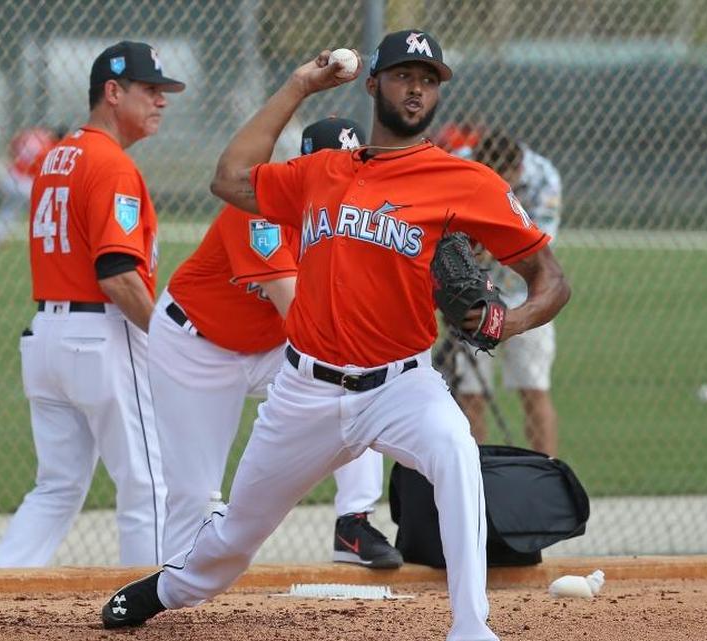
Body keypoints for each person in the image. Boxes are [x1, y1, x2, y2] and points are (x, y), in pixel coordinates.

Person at [102, 30, 571, 641]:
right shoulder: (319, 172)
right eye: (404, 75)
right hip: (305, 391)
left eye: (429, 79)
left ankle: (471, 627)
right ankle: (171, 587)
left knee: (456, 455)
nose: (417, 88)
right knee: (237, 533)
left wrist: (510, 321)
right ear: (373, 84)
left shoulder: (465, 181)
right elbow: (230, 178)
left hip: (402, 385)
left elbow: (550, 279)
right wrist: (299, 86)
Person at [152, 116, 401, 570]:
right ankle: (173, 585)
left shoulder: (354, 220)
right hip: (195, 347)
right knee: (194, 491)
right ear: (303, 168)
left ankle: (353, 524)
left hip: (266, 347)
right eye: (332, 167)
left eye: (353, 166)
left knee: (358, 385)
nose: (344, 178)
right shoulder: (258, 210)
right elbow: (299, 315)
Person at [0, 41, 185, 568]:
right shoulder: (111, 164)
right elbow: (117, 274)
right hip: (103, 337)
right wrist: (170, 338)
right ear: (112, 92)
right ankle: (148, 609)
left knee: (56, 488)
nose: (161, 101)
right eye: (150, 90)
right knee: (147, 483)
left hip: (47, 338)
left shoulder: (56, 157)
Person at [442, 130, 564, 455]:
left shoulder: (543, 178)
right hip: (472, 293)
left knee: (534, 389)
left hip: (526, 295)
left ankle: (545, 472)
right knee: (469, 394)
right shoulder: (460, 165)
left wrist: (482, 240)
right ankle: (475, 476)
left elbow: (538, 249)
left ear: (517, 169)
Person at [0, 126, 66, 248]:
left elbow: (13, 144)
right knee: (46, 206)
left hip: (10, 175)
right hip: (24, 181)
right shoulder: (50, 146)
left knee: (10, 209)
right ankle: (49, 237)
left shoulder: (33, 134)